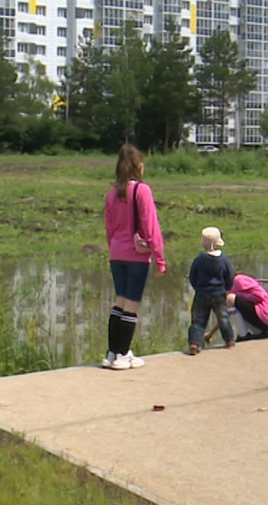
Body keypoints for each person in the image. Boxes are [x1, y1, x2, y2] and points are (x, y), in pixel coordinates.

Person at [102, 144, 166, 369]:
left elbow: (109, 228)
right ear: (138, 166)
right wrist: (160, 258)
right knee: (132, 304)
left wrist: (115, 247)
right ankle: (122, 355)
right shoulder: (142, 190)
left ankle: (112, 353)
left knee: (119, 302)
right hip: (136, 255)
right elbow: (151, 226)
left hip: (116, 254)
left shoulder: (112, 192)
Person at [186, 227, 235, 354]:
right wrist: (227, 289)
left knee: (198, 320)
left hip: (202, 293)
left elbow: (193, 275)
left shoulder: (199, 259)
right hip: (219, 293)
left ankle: (194, 344)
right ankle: (229, 340)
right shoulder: (224, 260)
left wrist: (197, 287)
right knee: (223, 317)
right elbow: (229, 276)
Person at [204, 273, 268, 343]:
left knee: (230, 299)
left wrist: (240, 296)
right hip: (264, 318)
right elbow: (225, 314)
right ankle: (259, 333)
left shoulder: (238, 280)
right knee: (234, 306)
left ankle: (243, 335)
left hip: (267, 314)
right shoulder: (232, 287)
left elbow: (260, 296)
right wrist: (211, 333)